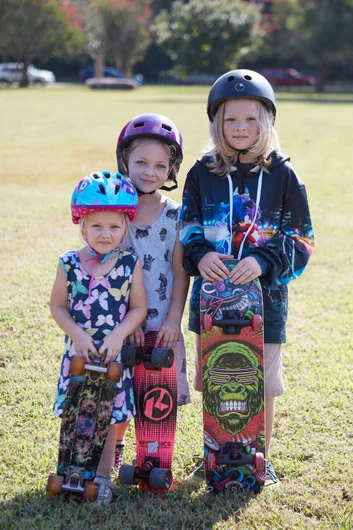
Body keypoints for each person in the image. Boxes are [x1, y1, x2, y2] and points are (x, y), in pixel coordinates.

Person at [179, 69, 315, 485]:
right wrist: (200, 257)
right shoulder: (203, 173)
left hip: (264, 306)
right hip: (212, 304)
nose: (240, 128)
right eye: (230, 120)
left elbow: (303, 240)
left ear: (267, 122)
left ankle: (260, 458)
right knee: (217, 380)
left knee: (261, 385)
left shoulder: (284, 177)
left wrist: (263, 261)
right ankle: (218, 456)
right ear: (216, 123)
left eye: (250, 119)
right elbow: (187, 230)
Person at [50, 170, 147, 503]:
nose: (106, 234)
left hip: (112, 359)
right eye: (97, 226)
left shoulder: (129, 264)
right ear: (82, 226)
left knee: (105, 420)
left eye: (114, 227)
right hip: (78, 357)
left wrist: (120, 334)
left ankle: (102, 477)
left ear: (126, 228)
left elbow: (138, 309)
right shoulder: (68, 264)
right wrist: (76, 333)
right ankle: (70, 470)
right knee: (76, 417)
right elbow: (58, 306)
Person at [114, 113, 191, 467]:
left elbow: (179, 270)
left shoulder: (176, 215)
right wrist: (125, 325)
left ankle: (153, 456)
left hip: (162, 321)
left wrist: (174, 319)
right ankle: (113, 450)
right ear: (124, 162)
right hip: (121, 323)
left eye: (161, 165)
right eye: (141, 162)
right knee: (120, 388)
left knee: (153, 391)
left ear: (171, 170)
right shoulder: (115, 212)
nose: (149, 171)